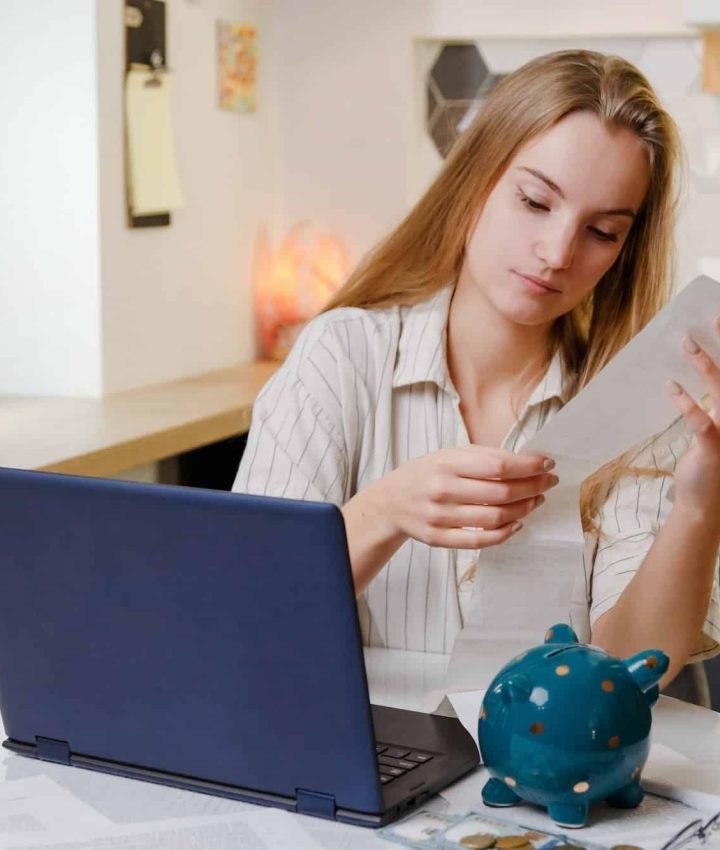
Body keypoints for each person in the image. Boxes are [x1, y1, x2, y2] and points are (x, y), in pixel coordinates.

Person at [233, 49, 720, 705]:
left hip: (551, 781)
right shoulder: (341, 356)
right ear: (473, 184)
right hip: (375, 762)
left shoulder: (640, 409)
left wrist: (698, 506)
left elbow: (633, 665)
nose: (557, 254)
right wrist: (385, 511)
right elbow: (244, 608)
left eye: (601, 232)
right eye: (534, 201)